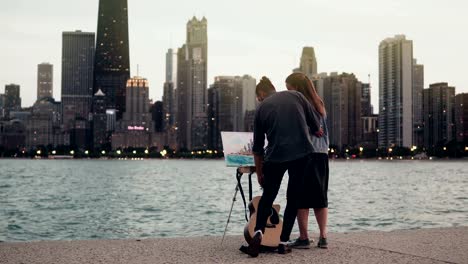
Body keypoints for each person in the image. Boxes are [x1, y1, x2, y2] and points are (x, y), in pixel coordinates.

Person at [244, 76, 322, 257]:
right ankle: (283, 241)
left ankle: (258, 232)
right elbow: (316, 125)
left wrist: (259, 173)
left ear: (262, 93)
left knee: (268, 195)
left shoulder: (261, 108)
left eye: (258, 97)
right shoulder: (296, 96)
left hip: (275, 156)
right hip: (302, 154)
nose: (259, 100)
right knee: (293, 197)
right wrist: (316, 129)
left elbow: (257, 148)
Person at [285, 72, 330, 249]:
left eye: (289, 88)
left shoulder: (298, 104)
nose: (287, 92)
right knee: (320, 196)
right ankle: (323, 237)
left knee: (300, 197)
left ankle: (303, 237)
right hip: (321, 154)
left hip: (303, 153)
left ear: (296, 88)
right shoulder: (319, 103)